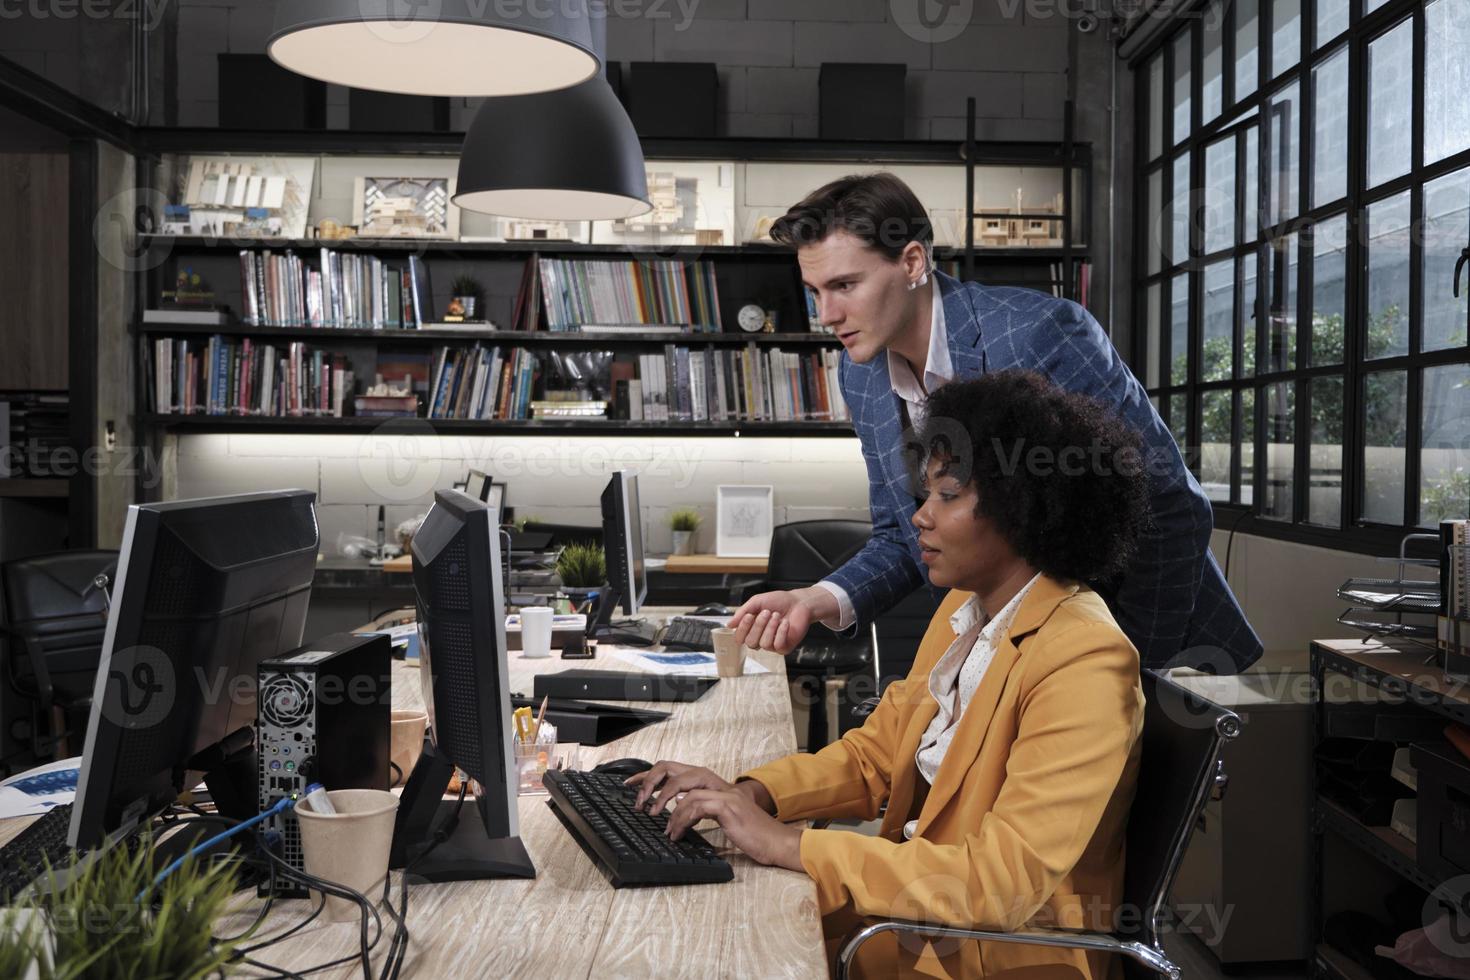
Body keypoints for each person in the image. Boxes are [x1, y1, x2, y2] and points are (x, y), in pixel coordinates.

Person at [630, 372, 1149, 978]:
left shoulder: (1084, 658)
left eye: (947, 497)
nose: (920, 519)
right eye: (924, 495)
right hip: (922, 921)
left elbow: (999, 886)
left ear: (1023, 507)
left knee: (713, 942)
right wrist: (749, 794)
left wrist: (786, 842)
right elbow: (873, 758)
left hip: (995, 956)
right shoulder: (965, 612)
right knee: (696, 922)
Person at [731, 172, 1260, 674]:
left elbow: (1170, 506)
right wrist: (815, 598)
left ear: (912, 261)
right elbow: (900, 536)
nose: (826, 314)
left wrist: (1130, 669)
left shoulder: (1037, 334)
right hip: (1011, 655)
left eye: (845, 284)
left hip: (1154, 647)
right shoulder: (862, 374)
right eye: (815, 291)